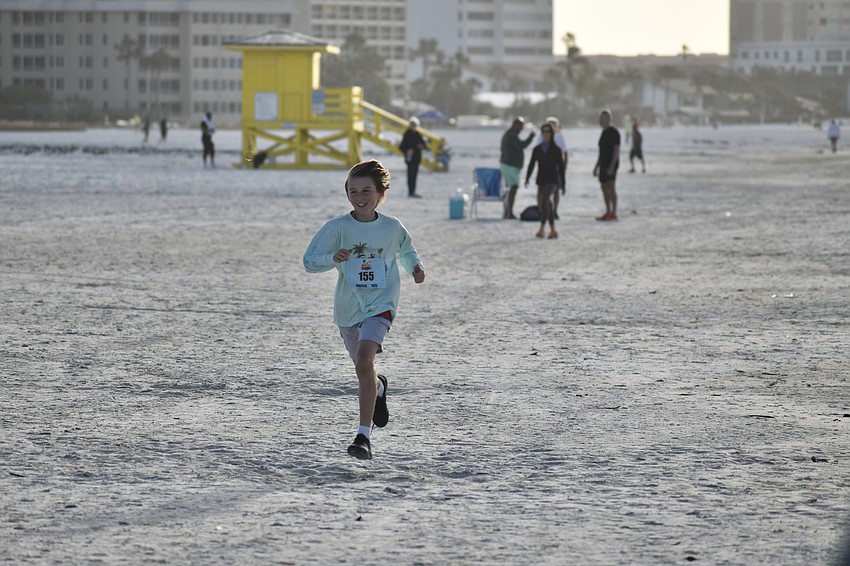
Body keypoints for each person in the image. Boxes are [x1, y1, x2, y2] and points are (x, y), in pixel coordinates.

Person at [303, 159, 426, 460]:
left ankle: (363, 436)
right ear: (347, 194)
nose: (360, 197)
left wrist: (415, 267)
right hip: (348, 309)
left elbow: (406, 249)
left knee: (363, 360)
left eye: (366, 190)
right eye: (353, 191)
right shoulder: (337, 227)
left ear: (380, 193)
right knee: (364, 370)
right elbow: (309, 260)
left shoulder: (392, 227)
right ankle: (379, 387)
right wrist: (334, 257)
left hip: (381, 305)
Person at [525, 123, 566, 239]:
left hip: (553, 180)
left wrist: (563, 183)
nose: (546, 134)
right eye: (544, 131)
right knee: (547, 204)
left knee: (544, 200)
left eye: (548, 131)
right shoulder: (537, 149)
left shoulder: (556, 150)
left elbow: (561, 168)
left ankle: (542, 228)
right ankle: (553, 230)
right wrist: (527, 177)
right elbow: (532, 164)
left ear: (552, 134)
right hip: (541, 179)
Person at [533, 116, 569, 218]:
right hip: (543, 168)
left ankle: (554, 210)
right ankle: (541, 210)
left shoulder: (560, 136)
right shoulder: (542, 136)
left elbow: (565, 153)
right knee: (541, 190)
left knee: (556, 190)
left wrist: (564, 167)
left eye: (553, 124)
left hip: (556, 168)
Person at [500, 117, 535, 219]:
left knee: (511, 189)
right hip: (510, 165)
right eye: (521, 126)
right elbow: (521, 146)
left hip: (510, 165)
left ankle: (508, 212)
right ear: (515, 125)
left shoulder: (510, 135)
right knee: (513, 188)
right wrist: (531, 137)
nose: (522, 129)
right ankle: (509, 212)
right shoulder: (511, 136)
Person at [593, 109, 621, 221]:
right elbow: (601, 152)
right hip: (603, 163)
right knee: (603, 187)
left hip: (611, 163)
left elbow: (616, 150)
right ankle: (608, 210)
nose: (602, 121)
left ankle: (614, 212)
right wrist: (596, 167)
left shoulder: (614, 132)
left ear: (609, 119)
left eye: (604, 118)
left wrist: (612, 166)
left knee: (611, 186)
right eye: (601, 118)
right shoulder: (603, 133)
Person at [398, 117, 428, 198]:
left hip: (417, 158)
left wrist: (421, 146)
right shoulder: (407, 134)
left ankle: (413, 191)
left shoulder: (418, 134)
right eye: (412, 125)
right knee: (410, 175)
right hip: (410, 158)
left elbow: (425, 145)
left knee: (414, 175)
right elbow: (401, 147)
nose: (413, 127)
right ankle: (410, 191)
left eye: (414, 125)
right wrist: (407, 150)